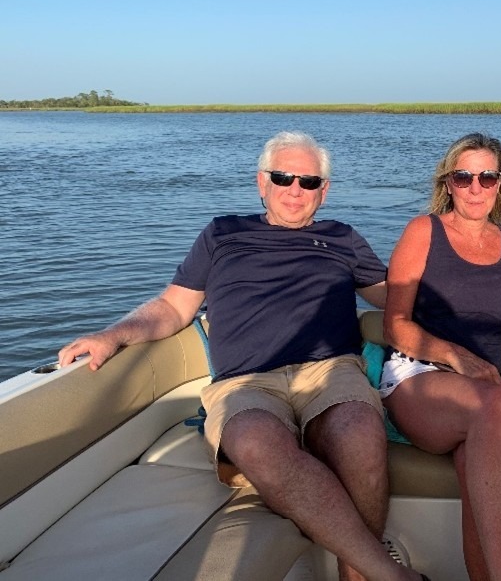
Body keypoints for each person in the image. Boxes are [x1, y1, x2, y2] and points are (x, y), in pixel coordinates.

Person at [58, 131, 427, 581]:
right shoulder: (223, 234)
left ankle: (357, 574)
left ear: (324, 191)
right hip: (245, 382)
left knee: (359, 431)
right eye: (283, 177)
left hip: (330, 370)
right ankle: (387, 575)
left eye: (308, 182)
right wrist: (112, 335)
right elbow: (174, 307)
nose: (295, 190)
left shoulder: (343, 239)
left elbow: (393, 296)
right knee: (253, 440)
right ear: (262, 182)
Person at [380, 133, 501, 581]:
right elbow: (396, 325)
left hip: (491, 393)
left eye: (486, 177)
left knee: (495, 465)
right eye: (463, 177)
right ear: (448, 183)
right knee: (492, 406)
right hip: (421, 374)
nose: (474, 187)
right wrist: (457, 356)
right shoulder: (423, 231)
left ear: (500, 184)